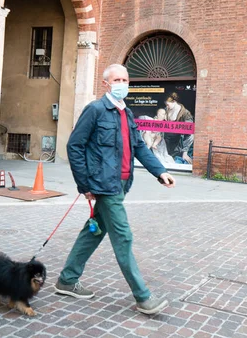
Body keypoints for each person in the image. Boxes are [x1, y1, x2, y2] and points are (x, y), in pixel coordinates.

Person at [54, 64, 175, 316]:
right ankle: (143, 297)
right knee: (123, 237)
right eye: (116, 79)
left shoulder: (126, 113)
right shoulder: (95, 110)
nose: (122, 83)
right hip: (104, 186)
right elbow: (74, 146)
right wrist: (84, 184)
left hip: (120, 184)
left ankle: (67, 280)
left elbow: (140, 147)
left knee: (94, 232)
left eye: (125, 79)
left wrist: (160, 171)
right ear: (106, 84)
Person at [164, 93, 194, 164]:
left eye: (168, 105)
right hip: (166, 143)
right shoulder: (166, 110)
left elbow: (190, 134)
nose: (167, 107)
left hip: (179, 145)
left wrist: (185, 152)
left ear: (174, 102)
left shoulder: (185, 114)